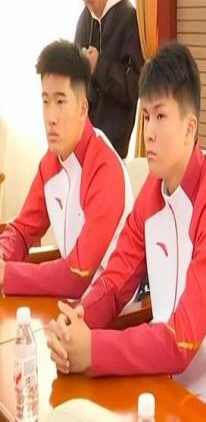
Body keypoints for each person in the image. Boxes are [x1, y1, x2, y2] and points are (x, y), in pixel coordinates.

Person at [45, 42, 206, 417]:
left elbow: (181, 341)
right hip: (164, 381)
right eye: (145, 116)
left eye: (160, 116)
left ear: (189, 127)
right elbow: (116, 281)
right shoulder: (153, 191)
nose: (148, 132)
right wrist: (76, 322)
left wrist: (92, 350)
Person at [0, 40, 133, 298]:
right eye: (45, 101)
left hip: (113, 310)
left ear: (83, 107)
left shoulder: (105, 169)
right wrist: (2, 256)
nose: (51, 117)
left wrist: (9, 274)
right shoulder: (51, 161)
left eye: (60, 101)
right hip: (69, 304)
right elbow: (22, 230)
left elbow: (77, 276)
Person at [74, 0, 144, 158]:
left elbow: (134, 87)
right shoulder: (85, 17)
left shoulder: (130, 19)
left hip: (114, 144)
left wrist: (99, 66)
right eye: (85, 3)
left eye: (92, 1)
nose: (90, 8)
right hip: (83, 137)